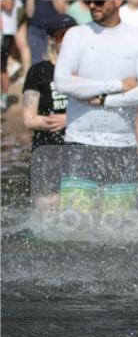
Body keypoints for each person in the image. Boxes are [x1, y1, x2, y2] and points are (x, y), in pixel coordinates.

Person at [53, 0, 138, 214]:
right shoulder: (76, 35)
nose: (92, 5)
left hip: (122, 145)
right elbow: (62, 82)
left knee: (118, 227)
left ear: (118, 0)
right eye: (89, 0)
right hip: (79, 142)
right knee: (73, 224)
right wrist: (118, 85)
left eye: (99, 1)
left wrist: (104, 100)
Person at [22, 15, 74, 211]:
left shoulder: (82, 72)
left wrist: (69, 119)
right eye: (63, 37)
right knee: (45, 208)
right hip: (45, 150)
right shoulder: (38, 71)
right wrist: (60, 121)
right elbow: (29, 119)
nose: (68, 42)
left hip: (76, 150)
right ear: (53, 39)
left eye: (72, 37)